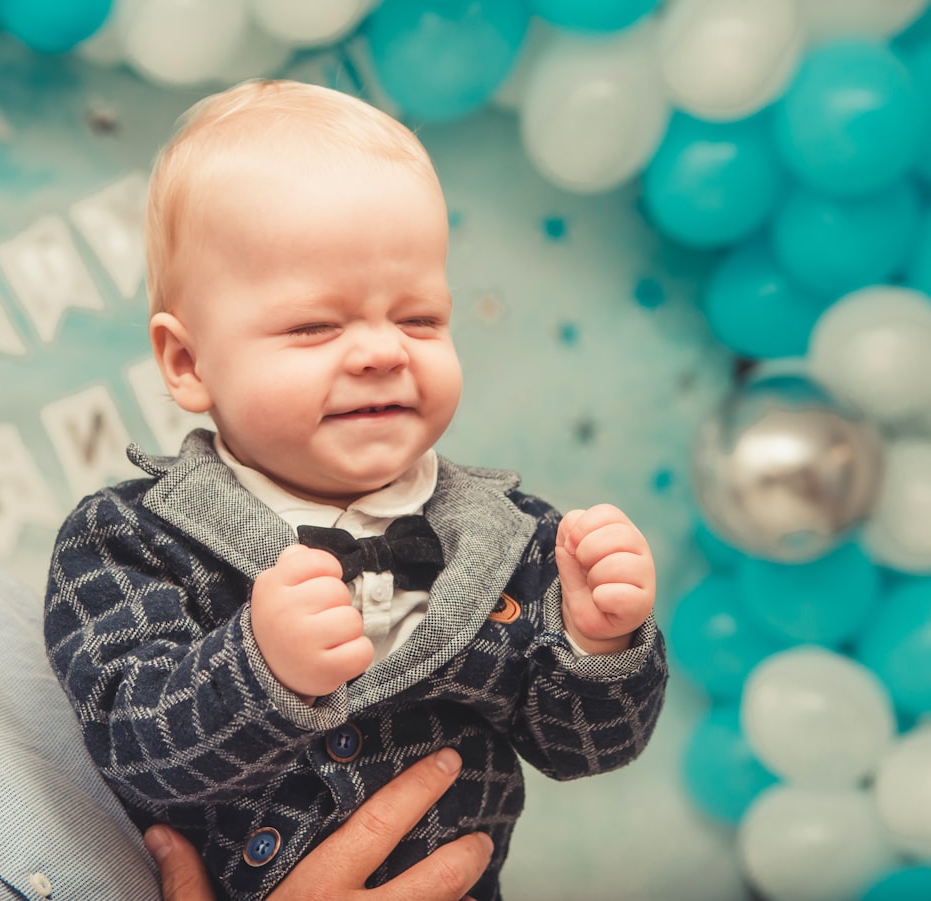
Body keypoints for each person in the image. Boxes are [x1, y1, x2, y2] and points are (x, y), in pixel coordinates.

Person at [44, 79, 667, 900]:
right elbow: (131, 749)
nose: (382, 352)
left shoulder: (512, 537)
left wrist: (600, 645)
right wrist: (257, 668)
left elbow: (586, 749)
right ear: (188, 365)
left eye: (419, 319)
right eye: (314, 326)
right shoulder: (128, 537)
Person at [0, 550, 491, 900]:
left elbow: (134, 736)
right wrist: (261, 673)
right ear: (183, 366)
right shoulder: (118, 540)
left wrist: (580, 647)